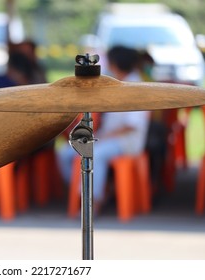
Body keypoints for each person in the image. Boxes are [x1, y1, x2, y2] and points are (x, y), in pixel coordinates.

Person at [57, 45, 150, 215]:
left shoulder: (137, 88)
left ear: (115, 64)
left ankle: (94, 202)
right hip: (106, 137)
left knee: (95, 153)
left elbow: (131, 125)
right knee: (65, 152)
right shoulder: (113, 83)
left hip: (127, 141)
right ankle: (82, 190)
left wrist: (104, 136)